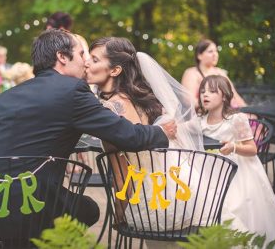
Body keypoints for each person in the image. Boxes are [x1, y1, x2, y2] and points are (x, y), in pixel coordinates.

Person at [0, 29, 176, 243]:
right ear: (62, 57)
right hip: (35, 209)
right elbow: (128, 136)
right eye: (81, 54)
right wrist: (161, 131)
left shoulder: (6, 97)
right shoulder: (72, 90)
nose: (85, 62)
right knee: (89, 209)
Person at [85, 37, 204, 231]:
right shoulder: (141, 99)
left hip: (151, 202)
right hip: (185, 191)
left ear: (115, 70)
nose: (86, 63)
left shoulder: (110, 111)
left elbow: (123, 176)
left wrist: (119, 214)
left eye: (95, 59)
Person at [198, 75, 275, 247]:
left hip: (237, 172)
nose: (205, 95)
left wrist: (234, 147)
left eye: (211, 91)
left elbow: (252, 149)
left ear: (224, 96)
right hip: (211, 171)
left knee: (235, 207)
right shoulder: (200, 121)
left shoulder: (236, 119)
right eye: (202, 91)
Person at [181, 39, 246, 108]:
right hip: (201, 115)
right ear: (199, 56)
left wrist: (248, 110)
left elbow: (234, 95)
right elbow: (189, 101)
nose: (215, 54)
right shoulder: (192, 73)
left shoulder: (220, 72)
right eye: (210, 51)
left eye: (216, 51)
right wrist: (215, 108)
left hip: (225, 114)